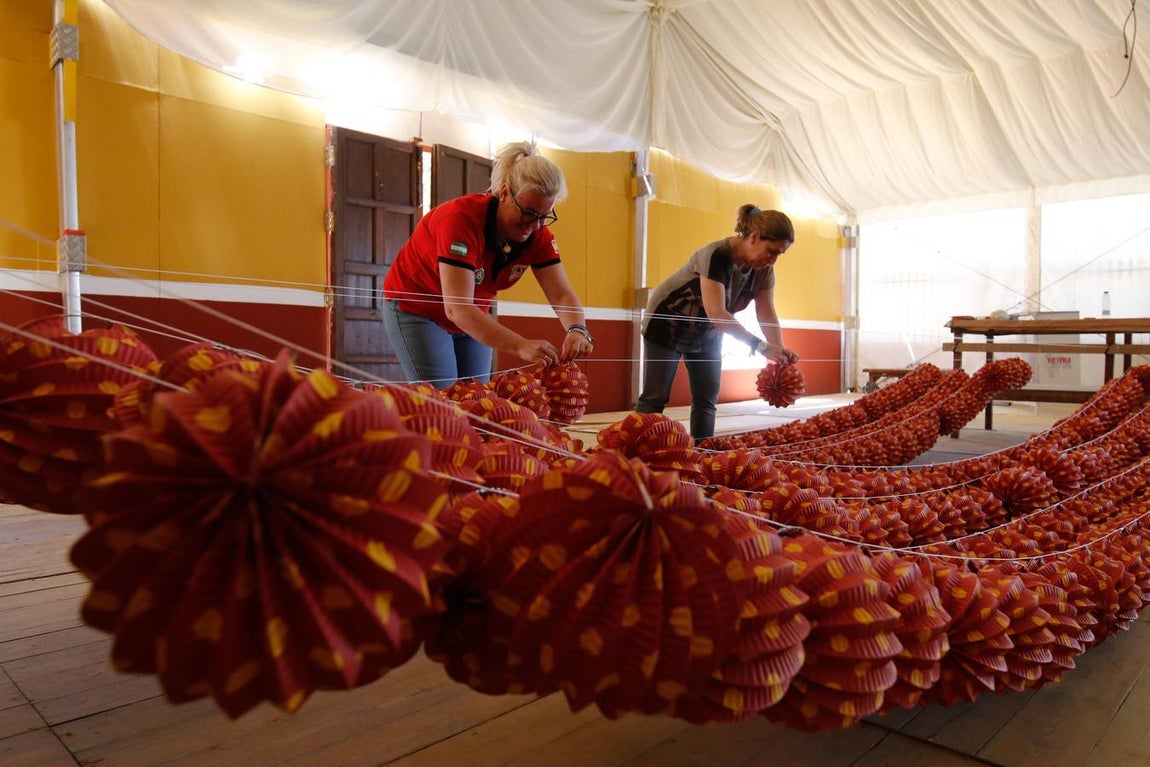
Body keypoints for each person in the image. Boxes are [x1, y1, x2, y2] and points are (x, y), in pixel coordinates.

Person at [382, 141, 593, 387]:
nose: (534, 225)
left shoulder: (538, 235)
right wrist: (520, 345)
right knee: (442, 401)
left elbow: (561, 293)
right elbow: (457, 309)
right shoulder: (460, 220)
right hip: (417, 308)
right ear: (504, 192)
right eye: (528, 213)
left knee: (479, 399)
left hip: (473, 314)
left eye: (543, 216)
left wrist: (577, 328)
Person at [635, 204, 799, 441]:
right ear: (754, 237)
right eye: (771, 251)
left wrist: (779, 351)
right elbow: (717, 312)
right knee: (656, 395)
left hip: (707, 331)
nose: (772, 260)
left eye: (779, 255)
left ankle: (704, 452)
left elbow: (766, 312)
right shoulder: (717, 255)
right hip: (668, 324)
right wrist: (760, 346)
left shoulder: (763, 270)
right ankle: (635, 448)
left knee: (706, 397)